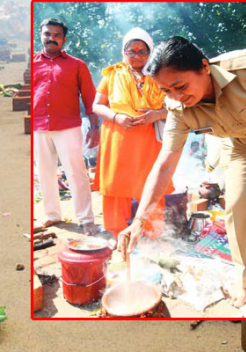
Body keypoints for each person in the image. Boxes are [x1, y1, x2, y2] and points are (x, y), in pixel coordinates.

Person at [118, 37, 246, 317]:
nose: (175, 96)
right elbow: (165, 163)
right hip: (242, 146)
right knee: (236, 205)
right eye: (166, 90)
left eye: (180, 86)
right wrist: (140, 220)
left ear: (204, 67)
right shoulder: (177, 108)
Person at [91, 28, 174, 240]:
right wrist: (117, 117)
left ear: (150, 52)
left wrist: (157, 114)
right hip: (118, 138)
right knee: (117, 185)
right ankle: (117, 233)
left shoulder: (160, 74)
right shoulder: (111, 74)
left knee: (152, 182)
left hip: (149, 139)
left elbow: (176, 105)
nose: (136, 55)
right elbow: (97, 105)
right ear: (124, 52)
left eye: (142, 51)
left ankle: (152, 232)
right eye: (131, 51)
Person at [32, 18, 99, 235]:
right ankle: (52, 215)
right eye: (47, 34)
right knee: (44, 172)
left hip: (68, 126)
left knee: (76, 172)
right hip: (39, 125)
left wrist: (95, 127)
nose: (51, 38)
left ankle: (86, 219)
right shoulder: (32, 63)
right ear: (41, 35)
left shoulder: (76, 65)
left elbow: (90, 98)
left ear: (64, 39)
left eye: (57, 35)